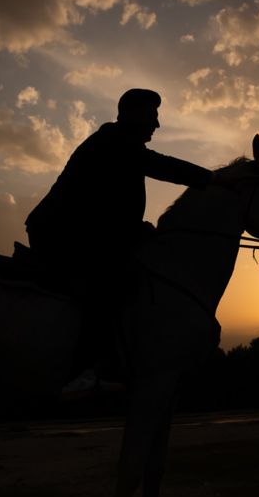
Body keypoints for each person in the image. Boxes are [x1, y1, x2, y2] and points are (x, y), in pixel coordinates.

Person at [26, 88, 215, 386]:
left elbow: (108, 208)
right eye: (152, 116)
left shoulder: (119, 145)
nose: (157, 124)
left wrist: (137, 228)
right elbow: (163, 166)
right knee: (116, 276)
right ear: (133, 115)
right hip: (62, 234)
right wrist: (216, 180)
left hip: (85, 231)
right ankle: (87, 368)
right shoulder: (115, 143)